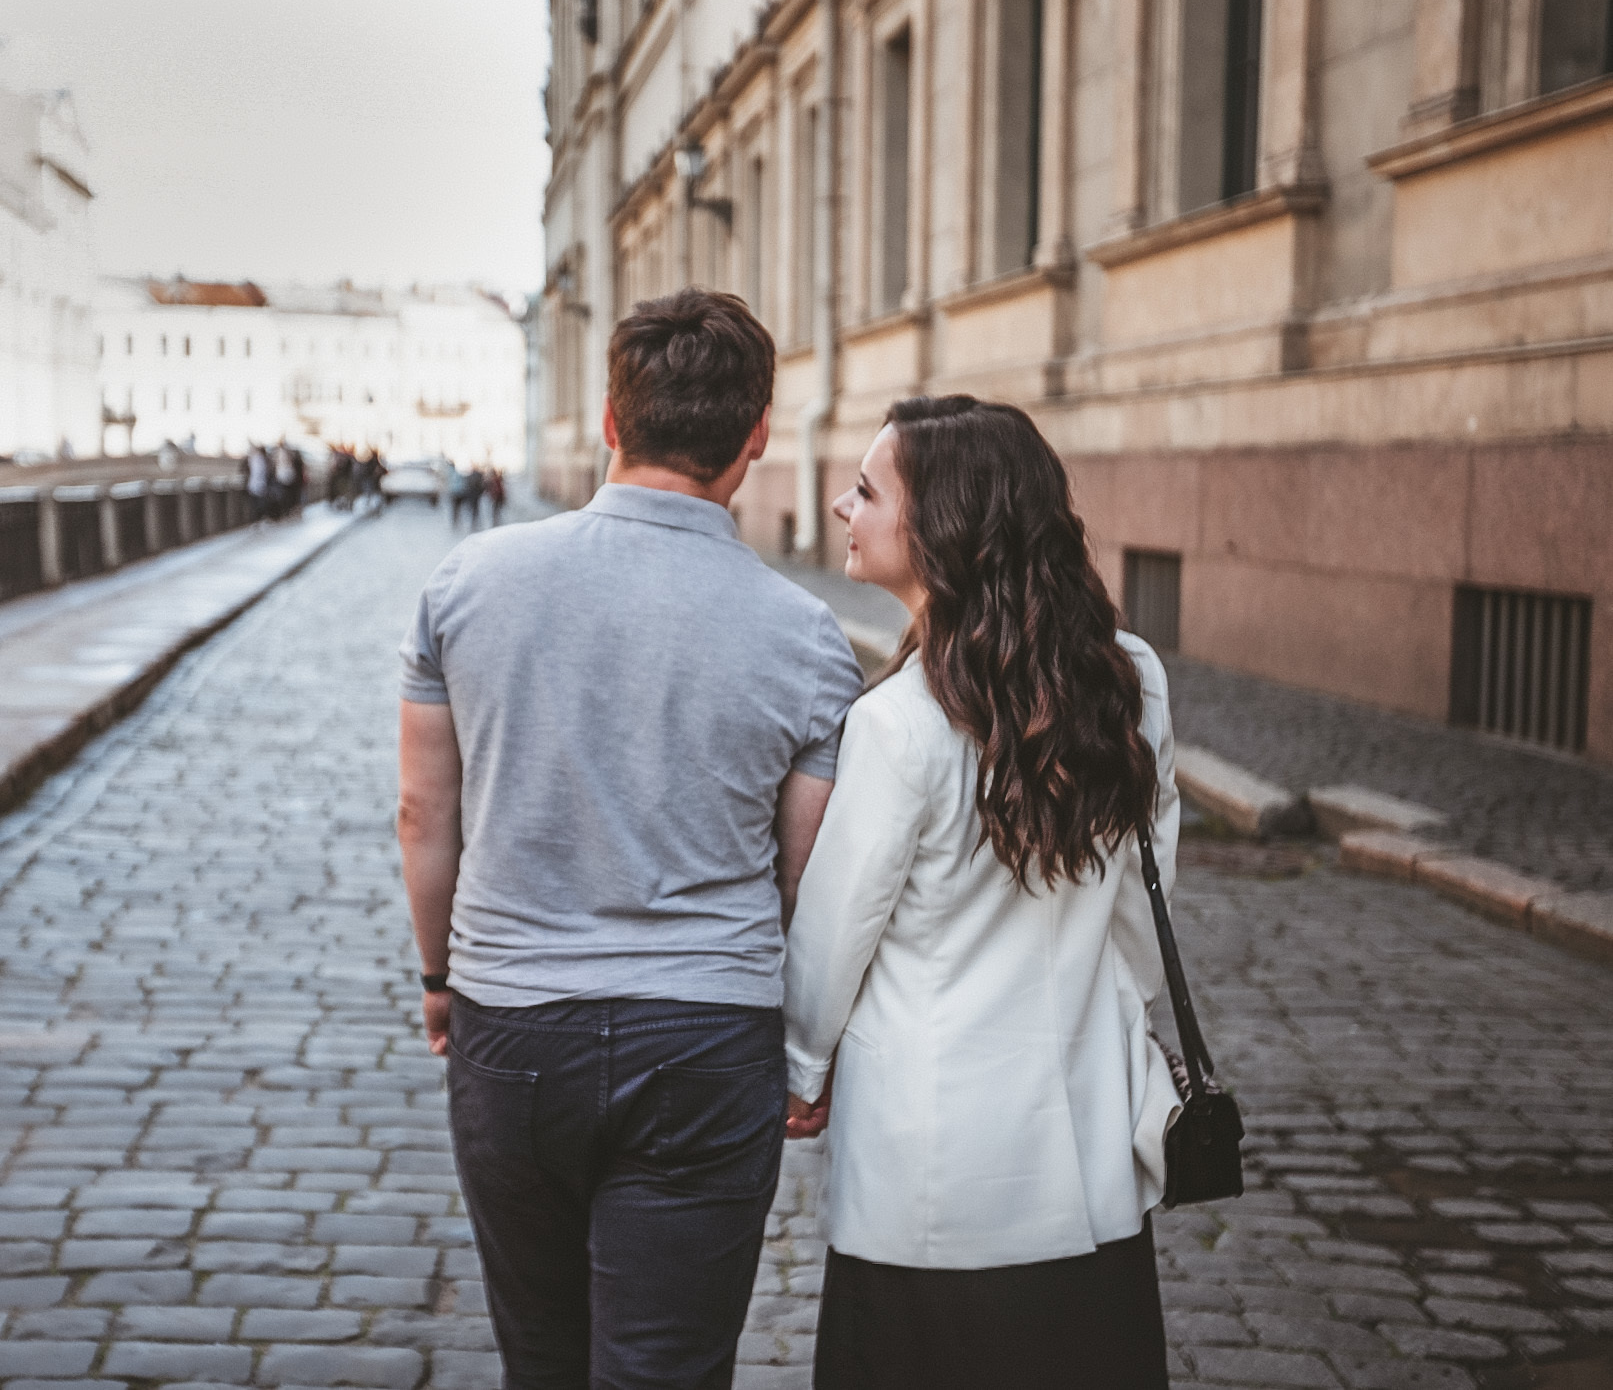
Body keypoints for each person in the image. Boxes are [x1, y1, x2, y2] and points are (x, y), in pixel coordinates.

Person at [397, 288, 864, 1389]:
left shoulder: (465, 585)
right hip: (704, 1041)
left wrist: (436, 975)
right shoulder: (805, 638)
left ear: (610, 420)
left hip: (512, 1024)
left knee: (543, 1360)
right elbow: (805, 875)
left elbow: (424, 812)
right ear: (753, 440)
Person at [781, 395, 1182, 1390]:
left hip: (932, 1171)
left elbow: (834, 937)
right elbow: (1144, 908)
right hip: (1086, 1148)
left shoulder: (897, 723)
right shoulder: (1127, 679)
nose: (841, 504)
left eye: (867, 489)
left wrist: (798, 1067)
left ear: (943, 526)